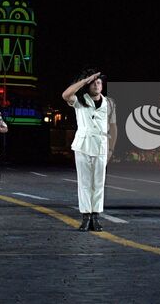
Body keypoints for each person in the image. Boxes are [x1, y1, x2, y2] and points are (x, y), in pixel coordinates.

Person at [63, 69, 116, 232]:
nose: (97, 84)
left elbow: (113, 128)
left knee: (99, 183)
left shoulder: (109, 103)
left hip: (101, 145)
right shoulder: (80, 100)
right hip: (83, 145)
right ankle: (86, 217)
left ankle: (95, 217)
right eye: (93, 82)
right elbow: (65, 95)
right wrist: (85, 80)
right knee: (85, 183)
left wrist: (111, 149)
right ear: (88, 84)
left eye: (99, 82)